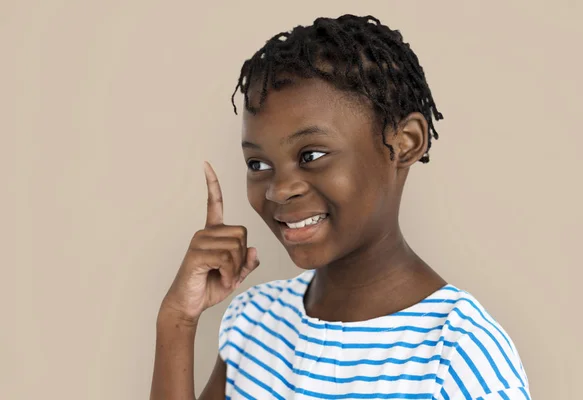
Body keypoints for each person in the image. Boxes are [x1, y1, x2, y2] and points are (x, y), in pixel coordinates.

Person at [150, 14, 531, 400]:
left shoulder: (457, 354)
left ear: (405, 143)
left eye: (311, 154)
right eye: (258, 165)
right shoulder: (255, 322)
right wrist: (177, 320)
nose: (279, 190)